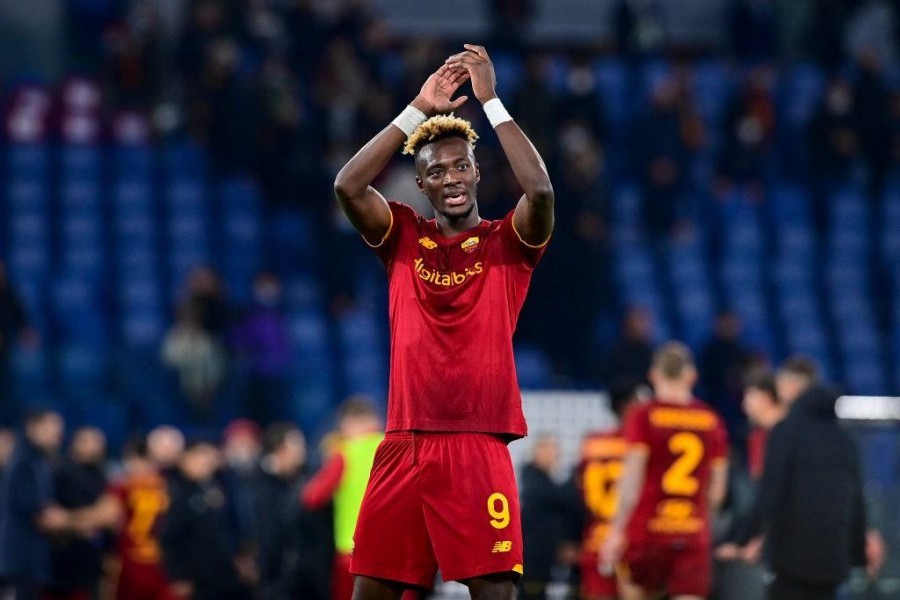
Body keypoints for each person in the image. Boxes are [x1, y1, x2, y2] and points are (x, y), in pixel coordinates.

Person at [332, 43, 554, 600]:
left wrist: (492, 102)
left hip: (477, 442)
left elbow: (542, 191)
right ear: (423, 184)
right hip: (405, 442)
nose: (451, 177)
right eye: (436, 170)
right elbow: (347, 186)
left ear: (477, 171)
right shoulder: (403, 235)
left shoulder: (509, 242)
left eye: (460, 165)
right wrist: (416, 110)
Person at [733, 356, 885, 599]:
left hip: (792, 560)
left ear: (792, 386)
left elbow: (771, 492)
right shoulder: (844, 439)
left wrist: (741, 538)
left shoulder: (785, 432)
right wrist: (858, 553)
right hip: (834, 560)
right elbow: (856, 499)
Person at [601, 342, 729, 600]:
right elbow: (717, 491)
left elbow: (631, 478)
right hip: (692, 531)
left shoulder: (643, 415)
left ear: (653, 376)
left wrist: (616, 531)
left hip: (646, 530)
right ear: (691, 376)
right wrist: (700, 520)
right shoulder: (711, 420)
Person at [73, 435, 177, 600]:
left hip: (132, 566)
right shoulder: (167, 486)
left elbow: (103, 516)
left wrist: (66, 519)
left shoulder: (125, 486)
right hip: (164, 567)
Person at [300, 397, 385, 600]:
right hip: (394, 549)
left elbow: (312, 498)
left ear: (350, 422)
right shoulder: (395, 446)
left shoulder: (345, 453)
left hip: (352, 551)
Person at [576, 382, 647, 600]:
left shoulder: (592, 443)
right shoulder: (640, 446)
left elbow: (578, 493)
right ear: (629, 407)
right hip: (632, 537)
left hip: (597, 538)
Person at [159, 439, 253, 600]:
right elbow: (168, 537)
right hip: (200, 579)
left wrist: (243, 556)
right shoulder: (178, 493)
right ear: (186, 459)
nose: (206, 461)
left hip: (228, 573)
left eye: (208, 455)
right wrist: (179, 575)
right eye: (200, 456)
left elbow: (233, 527)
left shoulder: (221, 487)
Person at [0, 408, 69, 600]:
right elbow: (41, 511)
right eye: (50, 427)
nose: (57, 433)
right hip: (20, 562)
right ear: (32, 427)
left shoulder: (40, 461)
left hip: (31, 561)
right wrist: (77, 522)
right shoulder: (24, 462)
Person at [46, 427, 109, 600]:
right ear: (75, 444)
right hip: (61, 561)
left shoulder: (101, 475)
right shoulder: (59, 473)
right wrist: (94, 517)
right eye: (88, 442)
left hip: (92, 562)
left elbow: (110, 515)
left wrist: (71, 519)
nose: (95, 447)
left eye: (98, 442)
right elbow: (51, 519)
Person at [251, 422, 309, 599]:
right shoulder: (257, 485)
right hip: (274, 579)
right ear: (280, 448)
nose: (302, 450)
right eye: (297, 445)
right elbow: (265, 537)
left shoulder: (299, 479)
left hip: (297, 578)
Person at [519, 435, 571, 599]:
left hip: (548, 552)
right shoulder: (532, 480)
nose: (550, 455)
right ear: (535, 452)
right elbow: (554, 496)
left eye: (552, 450)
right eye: (545, 450)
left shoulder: (548, 481)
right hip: (532, 552)